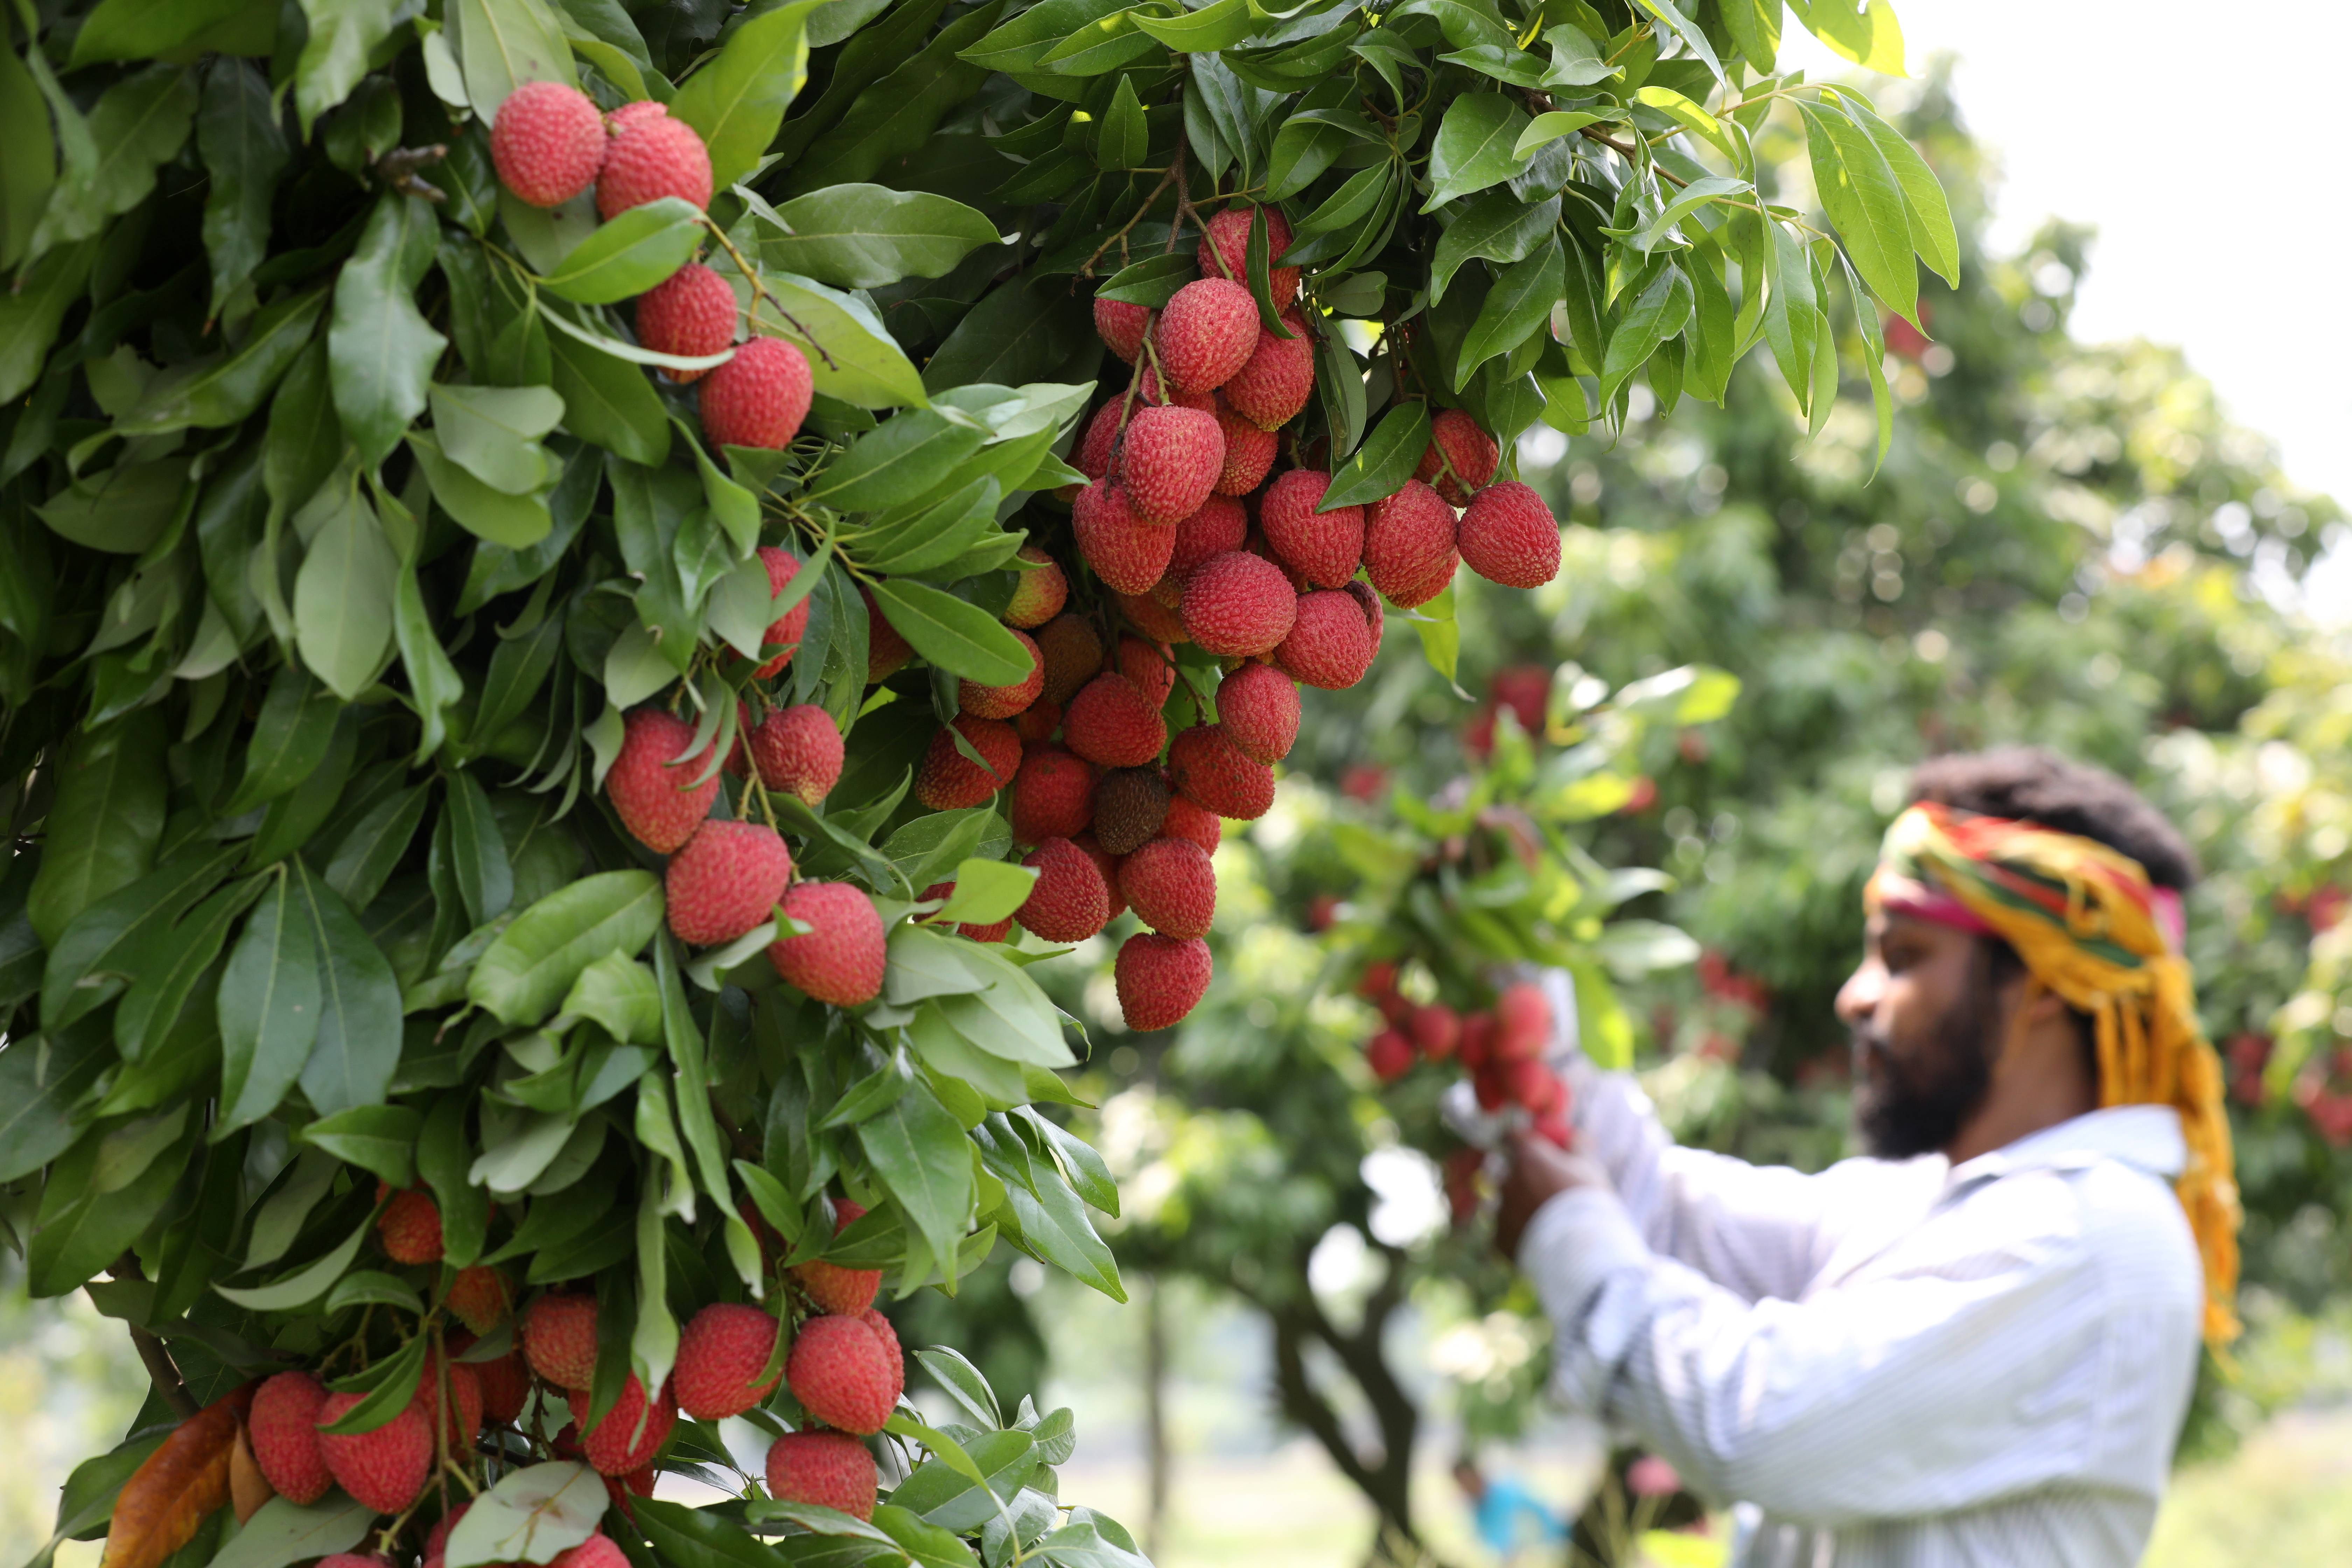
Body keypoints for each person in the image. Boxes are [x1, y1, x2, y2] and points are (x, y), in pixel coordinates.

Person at [1496, 749, 2239, 1567]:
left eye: (1904, 955)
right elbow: (1657, 1207)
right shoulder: (1932, 1207)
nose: (1856, 995)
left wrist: (1568, 1230)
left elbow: (1758, 1434)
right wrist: (1512, 948)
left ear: (2041, 986)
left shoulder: (2093, 1236)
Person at [1454, 1456, 1567, 1564]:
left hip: (1554, 1547)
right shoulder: (1479, 1519)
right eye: (1463, 1483)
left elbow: (1543, 1513)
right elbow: (1495, 1549)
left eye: (1468, 1479)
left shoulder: (1509, 1488)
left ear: (1476, 1473)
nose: (1469, 1485)